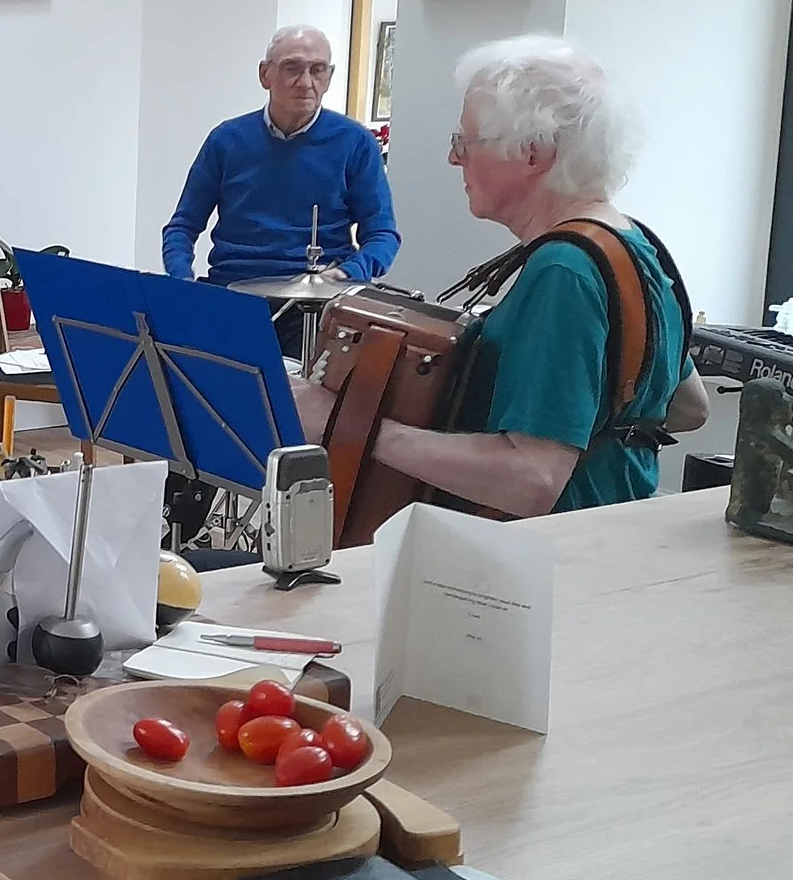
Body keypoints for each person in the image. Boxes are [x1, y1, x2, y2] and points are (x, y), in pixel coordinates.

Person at [295, 37, 709, 517]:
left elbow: (533, 480)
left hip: (546, 565)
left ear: (533, 152)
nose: (455, 159)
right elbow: (687, 407)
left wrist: (344, 423)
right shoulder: (635, 245)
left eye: (464, 142)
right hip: (611, 533)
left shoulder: (563, 272)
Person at [162, 25, 400, 311]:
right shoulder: (226, 140)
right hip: (232, 292)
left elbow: (382, 235)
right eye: (292, 68)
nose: (306, 82)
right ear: (265, 75)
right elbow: (182, 226)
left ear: (329, 77)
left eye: (318, 70)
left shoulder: (356, 143)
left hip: (318, 304)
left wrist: (347, 273)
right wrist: (181, 281)